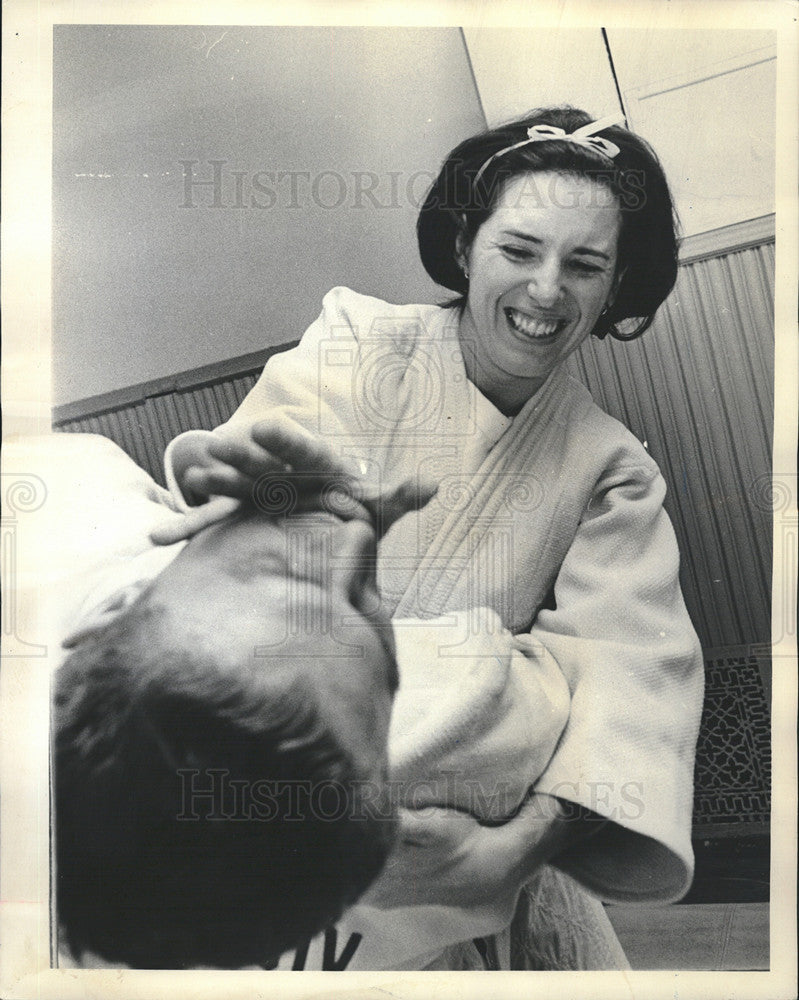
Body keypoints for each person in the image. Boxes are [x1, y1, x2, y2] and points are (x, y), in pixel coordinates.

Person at [164, 105, 706, 970]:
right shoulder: (358, 341)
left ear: (614, 288)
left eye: (584, 265)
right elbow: (266, 510)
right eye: (518, 249)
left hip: (456, 828)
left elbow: (631, 672)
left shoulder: (612, 469)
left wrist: (518, 847)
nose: (544, 290)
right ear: (464, 247)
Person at [42, 426, 570, 970]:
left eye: (287, 574)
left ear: (118, 610)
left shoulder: (61, 494)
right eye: (368, 607)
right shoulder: (445, 732)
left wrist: (236, 494)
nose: (361, 546)